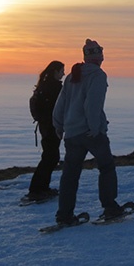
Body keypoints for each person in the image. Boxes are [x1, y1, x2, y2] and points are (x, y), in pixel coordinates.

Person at [52, 39, 123, 226]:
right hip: (90, 133)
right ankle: (110, 208)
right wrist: (95, 128)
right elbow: (92, 104)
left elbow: (60, 105)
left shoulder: (72, 76)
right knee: (106, 167)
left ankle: (64, 215)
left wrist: (59, 126)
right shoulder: (98, 75)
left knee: (70, 174)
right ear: (99, 56)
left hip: (72, 133)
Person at [26, 60, 65, 201]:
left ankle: (42, 188)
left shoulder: (44, 85)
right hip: (51, 127)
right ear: (55, 71)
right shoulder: (53, 87)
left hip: (46, 127)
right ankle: (36, 189)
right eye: (61, 71)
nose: (63, 74)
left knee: (50, 157)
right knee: (50, 157)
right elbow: (56, 108)